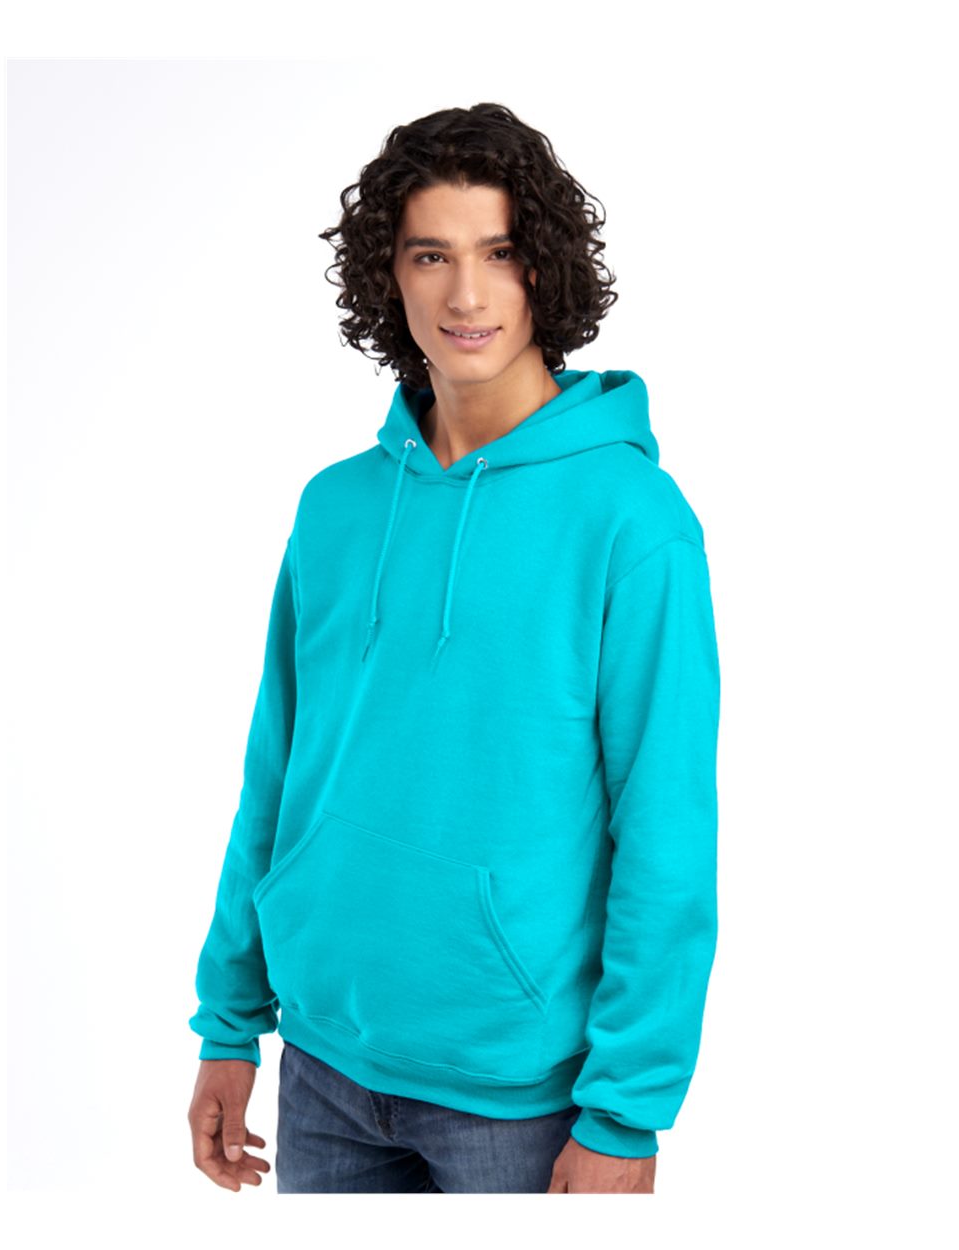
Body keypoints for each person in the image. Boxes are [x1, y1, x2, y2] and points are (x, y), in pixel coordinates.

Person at [187, 102, 721, 1195]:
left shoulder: (632, 522)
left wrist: (625, 1112)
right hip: (324, 1064)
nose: (466, 295)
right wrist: (230, 1021)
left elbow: (666, 831)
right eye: (431, 255)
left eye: (500, 253)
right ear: (388, 275)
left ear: (546, 272)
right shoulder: (335, 507)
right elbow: (276, 774)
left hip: (520, 1096)